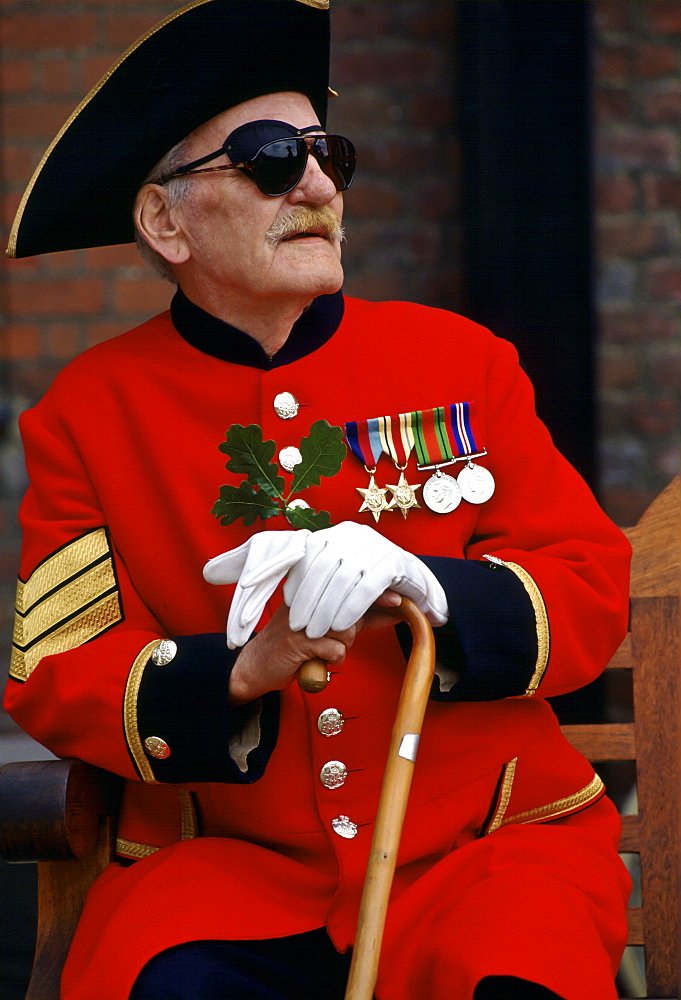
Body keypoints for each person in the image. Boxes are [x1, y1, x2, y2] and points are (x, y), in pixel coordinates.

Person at [4, 3, 631, 998]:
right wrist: (237, 671)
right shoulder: (86, 416)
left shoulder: (463, 361)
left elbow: (591, 585)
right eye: (266, 158)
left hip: (485, 854)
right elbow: (58, 669)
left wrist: (432, 584)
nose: (316, 184)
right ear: (165, 221)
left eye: (326, 153)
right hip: (230, 876)